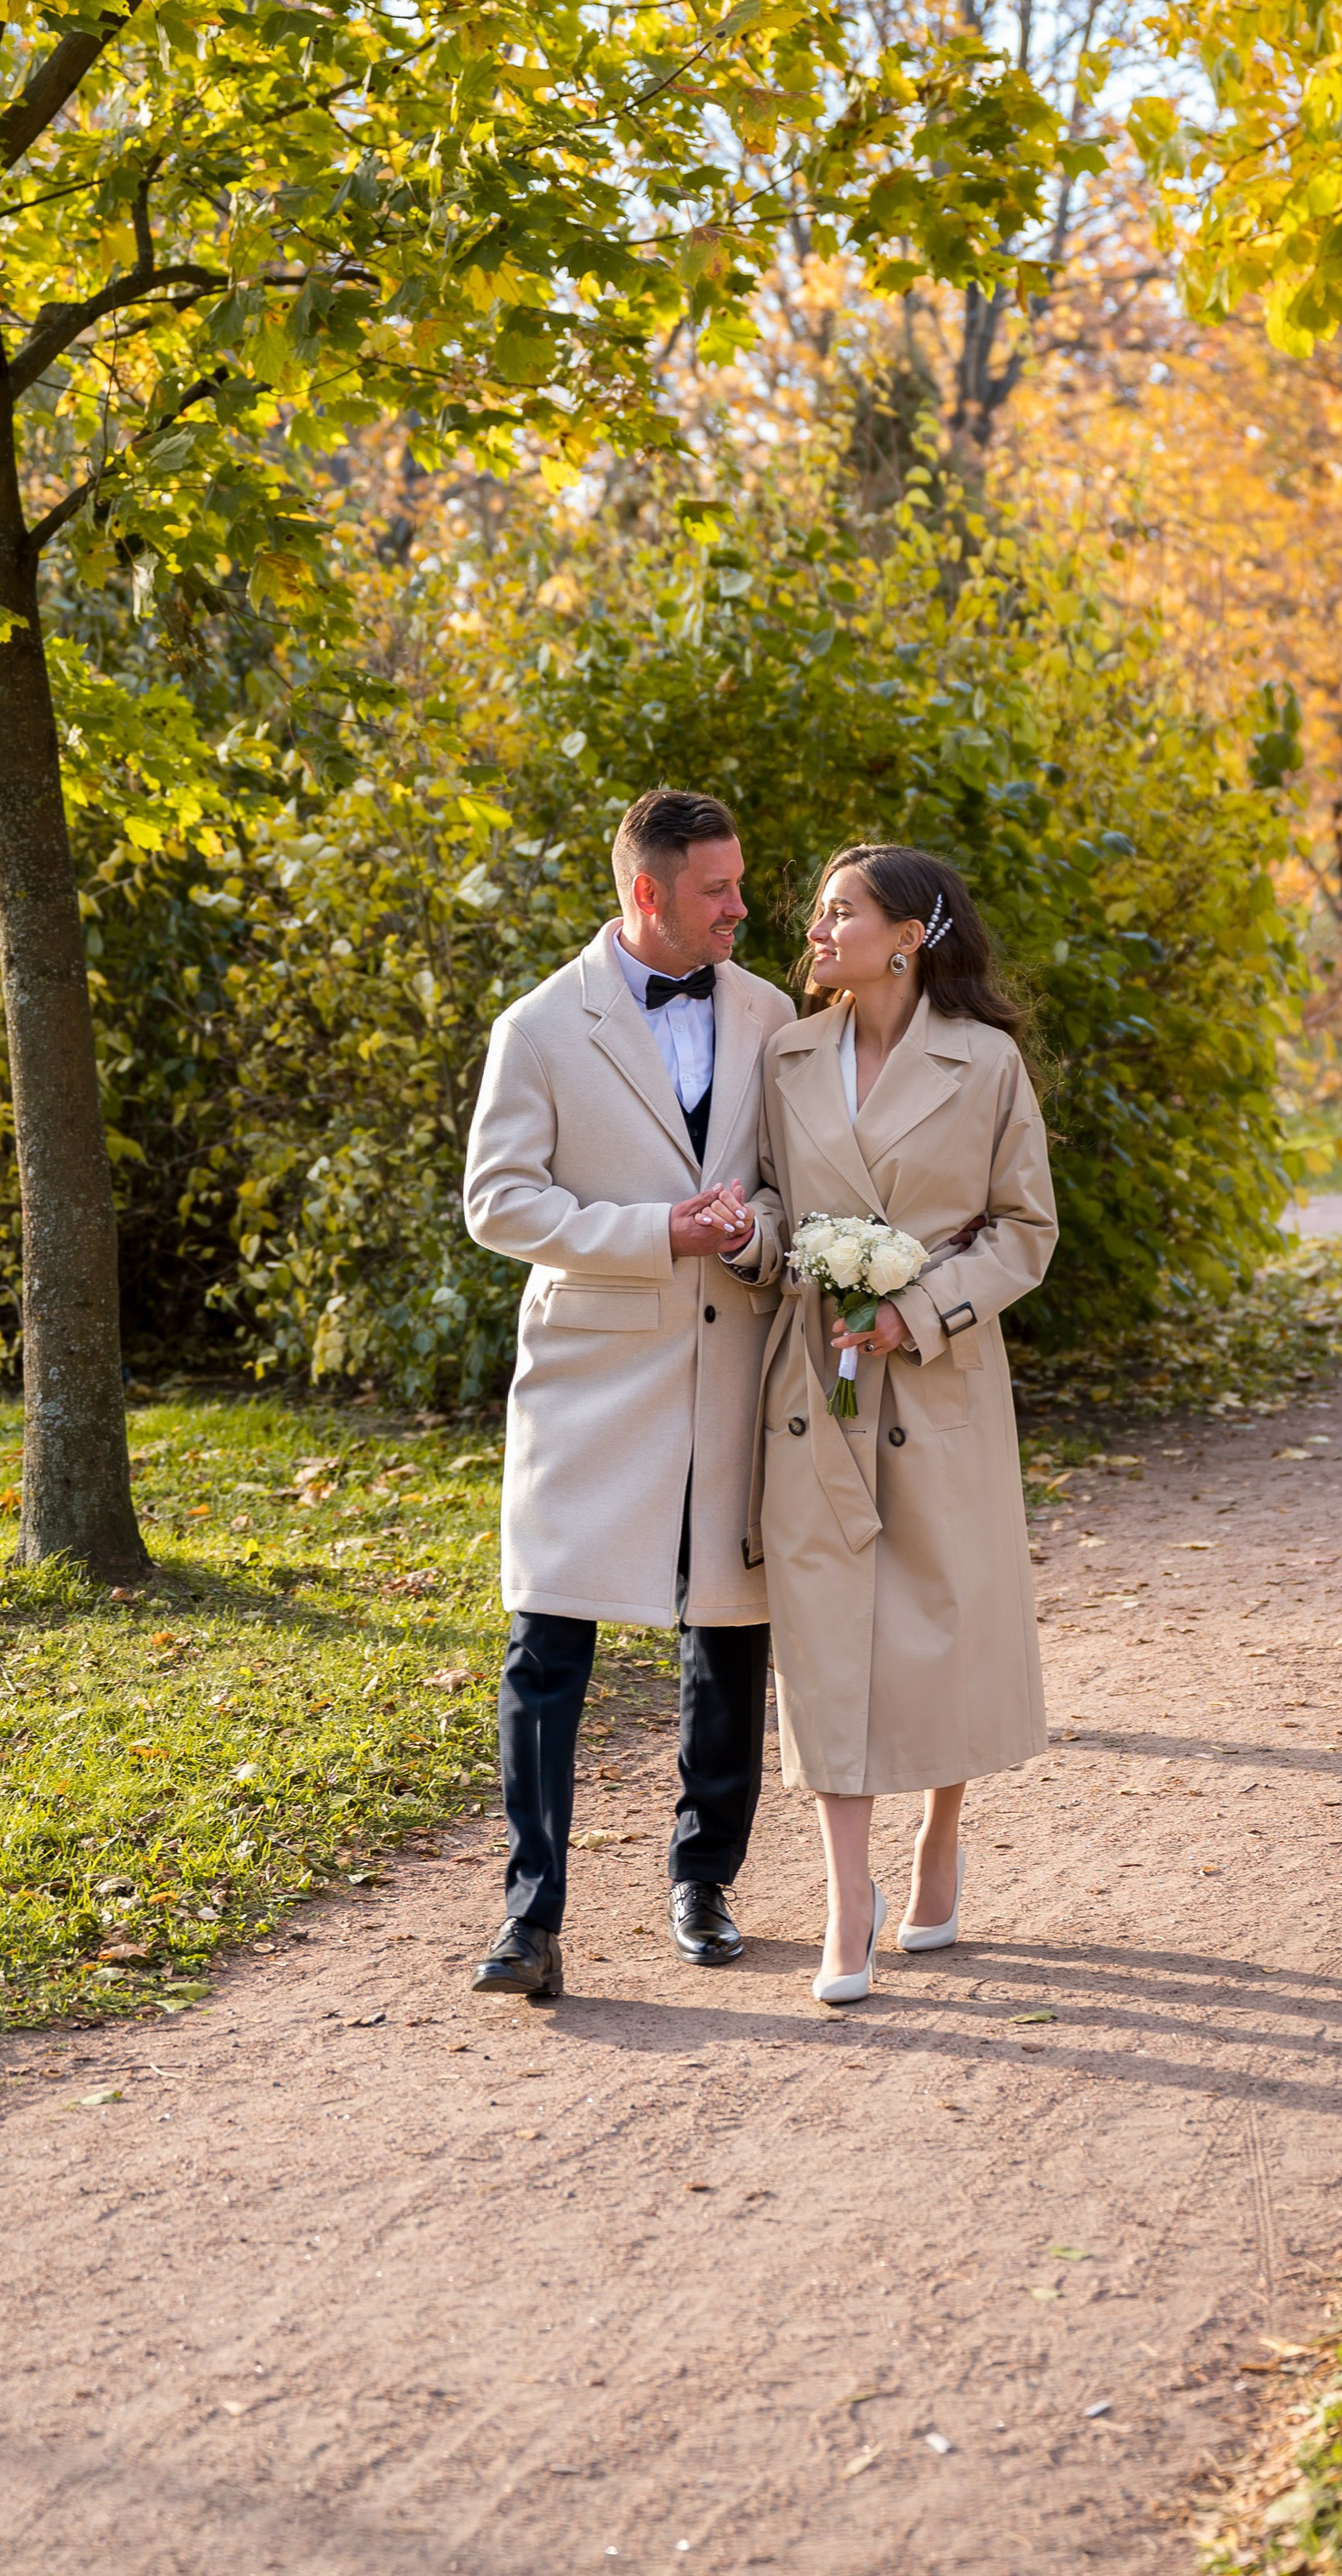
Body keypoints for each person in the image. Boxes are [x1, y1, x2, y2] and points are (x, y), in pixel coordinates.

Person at [463, 788, 795, 1999]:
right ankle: (530, 1914)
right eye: (718, 889)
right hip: (595, 1372)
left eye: (740, 883)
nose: (741, 908)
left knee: (730, 1630)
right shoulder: (541, 1028)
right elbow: (498, 1203)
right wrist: (656, 1230)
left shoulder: (768, 1013)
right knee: (547, 1636)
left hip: (735, 1363)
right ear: (646, 893)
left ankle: (705, 1880)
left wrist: (751, 1233)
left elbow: (795, 1185)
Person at [748, 843, 1057, 2003]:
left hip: (940, 1383)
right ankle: (844, 1907)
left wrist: (916, 1310)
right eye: (820, 911)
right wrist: (758, 1239)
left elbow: (1025, 1229)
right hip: (813, 1385)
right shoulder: (782, 1055)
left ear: (909, 935)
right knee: (827, 1631)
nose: (818, 931)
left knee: (944, 1623)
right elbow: (776, 1199)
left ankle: (939, 1837)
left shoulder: (986, 1066)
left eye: (842, 913)